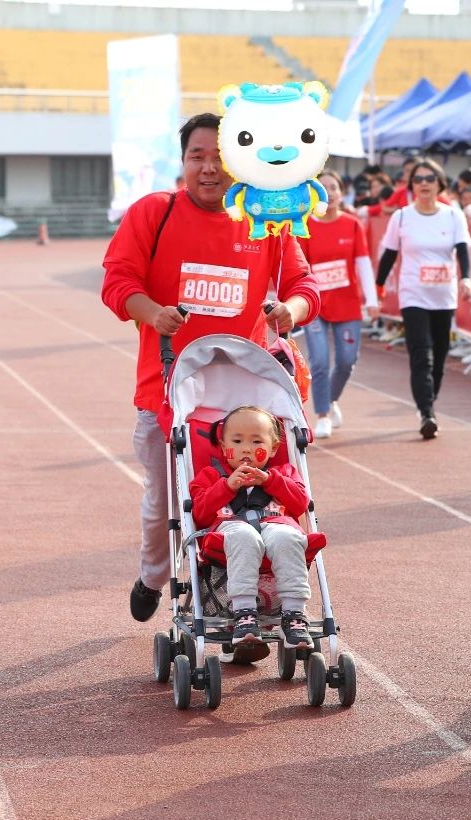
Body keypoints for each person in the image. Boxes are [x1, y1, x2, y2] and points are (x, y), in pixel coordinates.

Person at [101, 113, 319, 625]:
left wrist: (292, 311)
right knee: (167, 505)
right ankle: (154, 574)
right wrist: (153, 313)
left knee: (250, 503)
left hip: (244, 400)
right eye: (196, 156)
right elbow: (117, 282)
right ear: (183, 162)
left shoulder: (265, 222)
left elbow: (305, 288)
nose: (207, 168)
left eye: (219, 158)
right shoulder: (153, 214)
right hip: (167, 393)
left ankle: (233, 600)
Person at [189, 406, 313, 649]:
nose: (246, 448)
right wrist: (226, 487)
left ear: (273, 448)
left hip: (275, 526)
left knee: (288, 536)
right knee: (244, 535)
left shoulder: (284, 473)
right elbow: (200, 515)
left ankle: (294, 614)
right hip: (231, 531)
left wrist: (271, 481)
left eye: (256, 441)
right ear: (225, 447)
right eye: (237, 441)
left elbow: (300, 504)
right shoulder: (210, 476)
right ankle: (244, 611)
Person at [375, 157, 471, 439]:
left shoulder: (453, 215)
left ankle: (428, 402)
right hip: (413, 294)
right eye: (418, 179)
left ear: (439, 183)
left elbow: (463, 250)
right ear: (412, 185)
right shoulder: (402, 217)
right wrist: (378, 288)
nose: (424, 183)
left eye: (430, 178)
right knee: (422, 355)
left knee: (440, 356)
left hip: (444, 297)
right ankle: (426, 413)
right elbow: (390, 254)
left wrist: (466, 277)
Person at [298, 170, 379, 440]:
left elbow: (363, 263)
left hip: (347, 304)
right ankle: (322, 414)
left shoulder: (353, 224)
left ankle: (330, 400)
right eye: (324, 188)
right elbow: (300, 270)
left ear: (342, 193)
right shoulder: (305, 227)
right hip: (316, 306)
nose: (330, 193)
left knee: (346, 360)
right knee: (319, 360)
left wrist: (372, 300)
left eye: (334, 187)